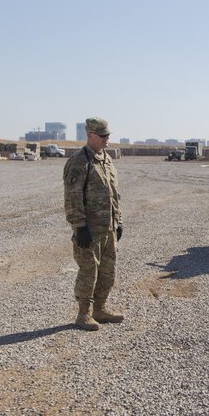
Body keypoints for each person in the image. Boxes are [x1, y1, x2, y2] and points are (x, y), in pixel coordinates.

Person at [63, 117, 124, 331]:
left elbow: (114, 195)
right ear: (90, 135)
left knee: (108, 271)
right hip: (89, 230)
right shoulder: (79, 162)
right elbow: (72, 197)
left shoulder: (106, 160)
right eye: (103, 135)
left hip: (108, 228)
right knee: (89, 272)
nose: (107, 139)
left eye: (108, 135)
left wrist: (118, 221)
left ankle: (100, 308)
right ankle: (83, 314)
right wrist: (79, 227)